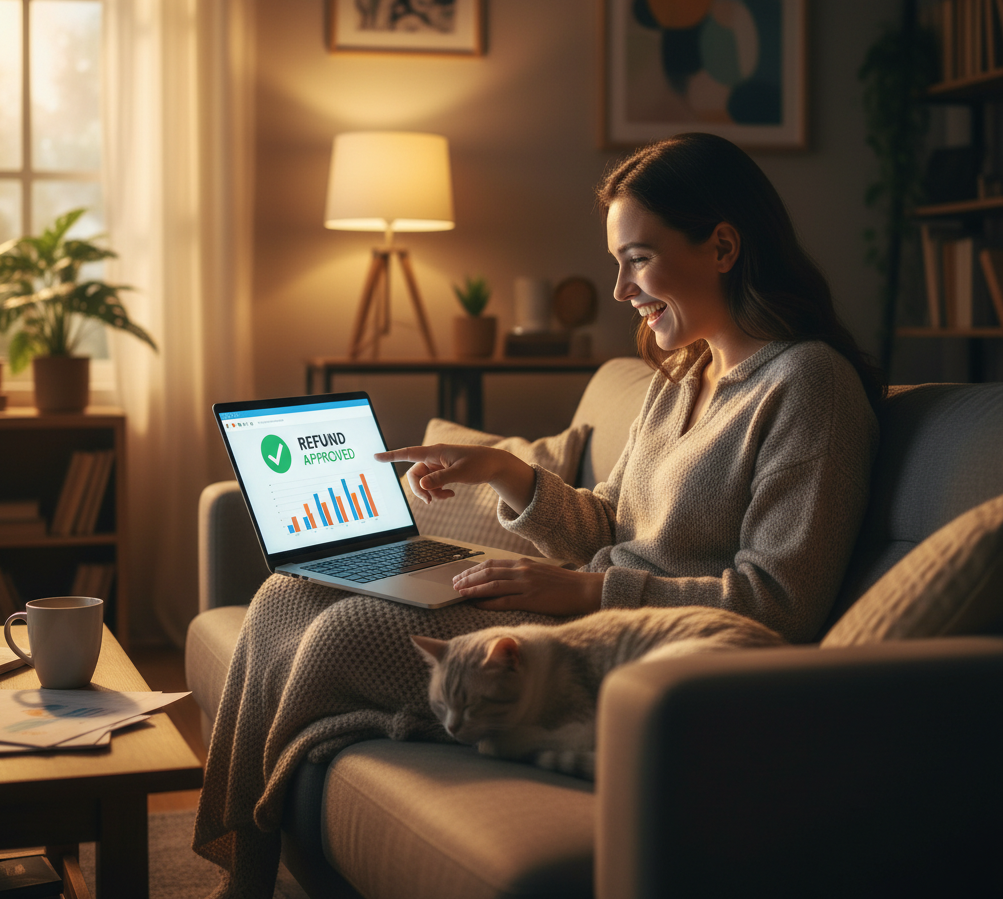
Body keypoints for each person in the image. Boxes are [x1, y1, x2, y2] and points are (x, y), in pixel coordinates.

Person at [194, 132, 881, 898]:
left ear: (723, 245)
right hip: (573, 604)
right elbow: (608, 526)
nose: (620, 289)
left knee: (345, 634)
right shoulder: (679, 375)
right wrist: (505, 472)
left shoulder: (810, 386)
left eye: (638, 259)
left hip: (620, 645)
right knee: (288, 593)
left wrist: (583, 593)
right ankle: (241, 868)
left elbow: (778, 608)